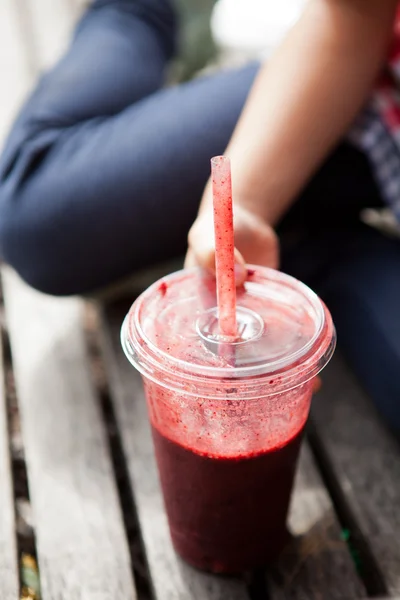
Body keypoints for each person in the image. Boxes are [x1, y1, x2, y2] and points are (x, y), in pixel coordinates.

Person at [0, 0, 399, 433]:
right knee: (42, 219)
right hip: (368, 88)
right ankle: (145, 11)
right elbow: (356, 14)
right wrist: (246, 205)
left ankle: (307, 239)